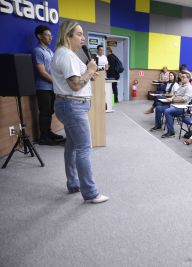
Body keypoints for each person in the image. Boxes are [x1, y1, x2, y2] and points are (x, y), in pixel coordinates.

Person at [51, 20, 108, 203]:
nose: (83, 38)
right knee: (83, 148)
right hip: (73, 105)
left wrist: (89, 73)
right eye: (79, 34)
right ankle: (90, 193)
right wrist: (90, 70)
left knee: (72, 146)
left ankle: (73, 183)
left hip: (69, 105)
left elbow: (77, 80)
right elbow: (75, 85)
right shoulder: (66, 55)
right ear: (68, 36)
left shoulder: (65, 54)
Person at [32, 25, 64, 145]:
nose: (50, 38)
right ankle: (43, 137)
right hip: (43, 88)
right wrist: (56, 82)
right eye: (47, 35)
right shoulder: (37, 51)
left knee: (50, 111)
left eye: (51, 35)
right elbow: (42, 72)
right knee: (45, 111)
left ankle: (48, 132)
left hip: (52, 87)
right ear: (40, 36)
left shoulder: (50, 51)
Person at [151, 72, 192, 138]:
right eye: (181, 77)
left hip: (182, 108)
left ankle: (171, 132)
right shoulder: (181, 86)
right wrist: (171, 98)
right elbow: (175, 95)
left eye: (183, 77)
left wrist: (172, 100)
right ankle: (158, 126)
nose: (181, 78)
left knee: (168, 111)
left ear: (188, 78)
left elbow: (184, 99)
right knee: (158, 108)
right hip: (173, 105)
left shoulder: (189, 88)